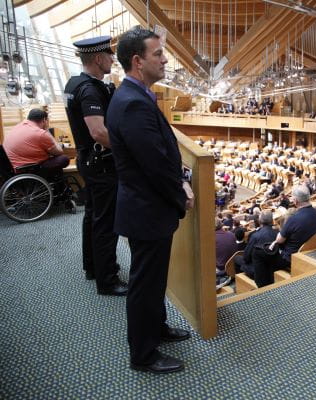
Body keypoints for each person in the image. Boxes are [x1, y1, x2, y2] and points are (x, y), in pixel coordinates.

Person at [107, 26, 194, 374]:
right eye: (158, 54)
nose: (165, 59)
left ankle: (157, 328)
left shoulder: (138, 95)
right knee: (144, 285)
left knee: (155, 279)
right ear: (137, 61)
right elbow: (155, 164)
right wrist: (180, 193)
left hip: (146, 207)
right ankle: (143, 354)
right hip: (147, 209)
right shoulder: (131, 104)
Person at [64, 35, 126, 292]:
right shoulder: (89, 89)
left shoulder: (74, 83)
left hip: (88, 160)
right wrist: (129, 148)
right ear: (98, 58)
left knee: (93, 215)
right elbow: (98, 132)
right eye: (110, 55)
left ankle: (93, 266)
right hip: (101, 163)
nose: (113, 59)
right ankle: (107, 280)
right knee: (106, 222)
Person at [252, 185, 316, 287]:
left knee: (257, 252)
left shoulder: (294, 218)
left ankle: (263, 286)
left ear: (295, 200)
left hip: (289, 258)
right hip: (310, 253)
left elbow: (279, 240)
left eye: (292, 197)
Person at [3, 109, 69, 179]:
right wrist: (47, 130)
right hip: (27, 170)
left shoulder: (17, 127)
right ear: (44, 120)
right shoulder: (40, 133)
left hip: (12, 170)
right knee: (63, 159)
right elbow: (59, 152)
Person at [235, 211, 278, 278]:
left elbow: (246, 257)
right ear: (272, 221)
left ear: (260, 221)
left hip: (260, 269)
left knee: (236, 258)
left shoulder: (255, 236)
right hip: (274, 265)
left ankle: (241, 281)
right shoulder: (278, 233)